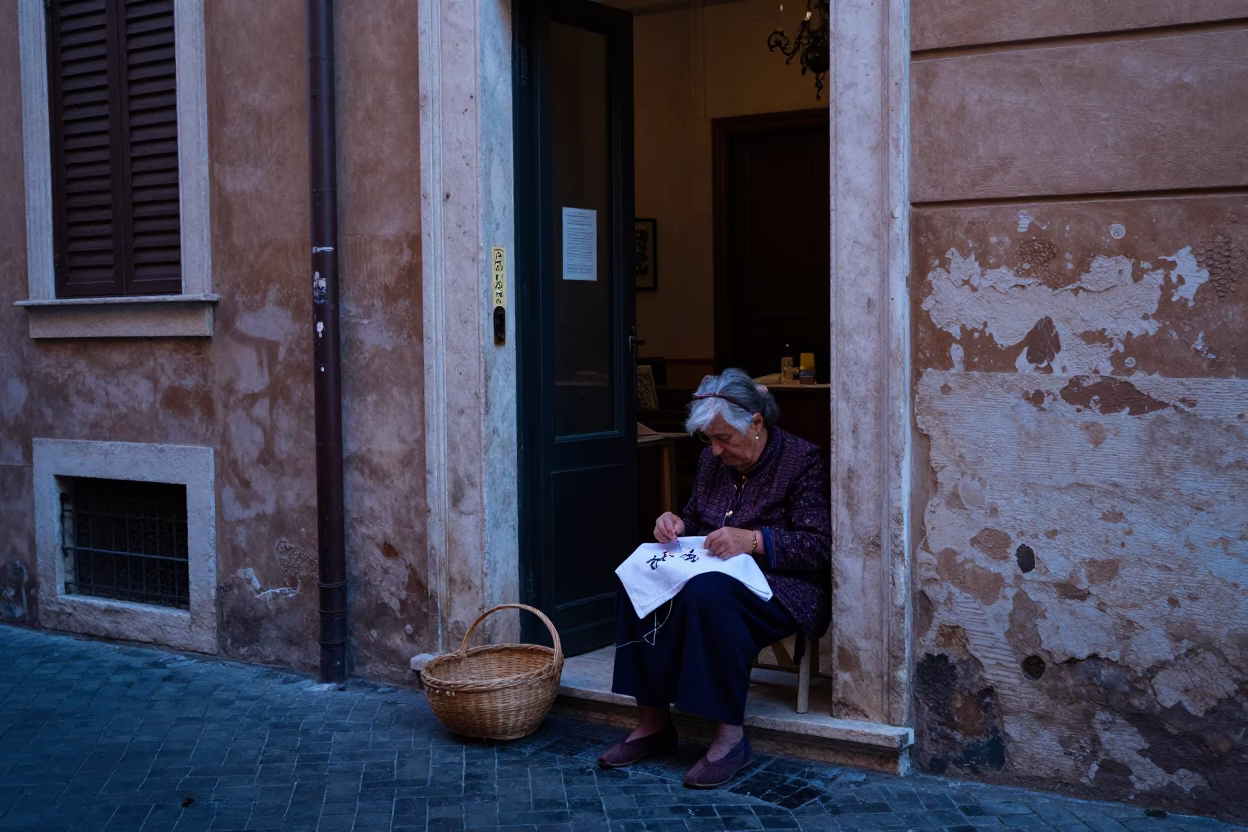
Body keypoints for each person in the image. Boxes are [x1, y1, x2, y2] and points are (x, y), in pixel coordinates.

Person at [599, 368, 831, 788]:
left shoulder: (802, 461)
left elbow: (819, 546)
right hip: (710, 577)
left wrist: (754, 540)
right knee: (637, 577)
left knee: (707, 593)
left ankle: (730, 738)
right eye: (710, 439)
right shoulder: (713, 461)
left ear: (756, 424)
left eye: (726, 438)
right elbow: (694, 519)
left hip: (782, 589)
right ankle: (653, 724)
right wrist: (673, 523)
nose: (717, 450)